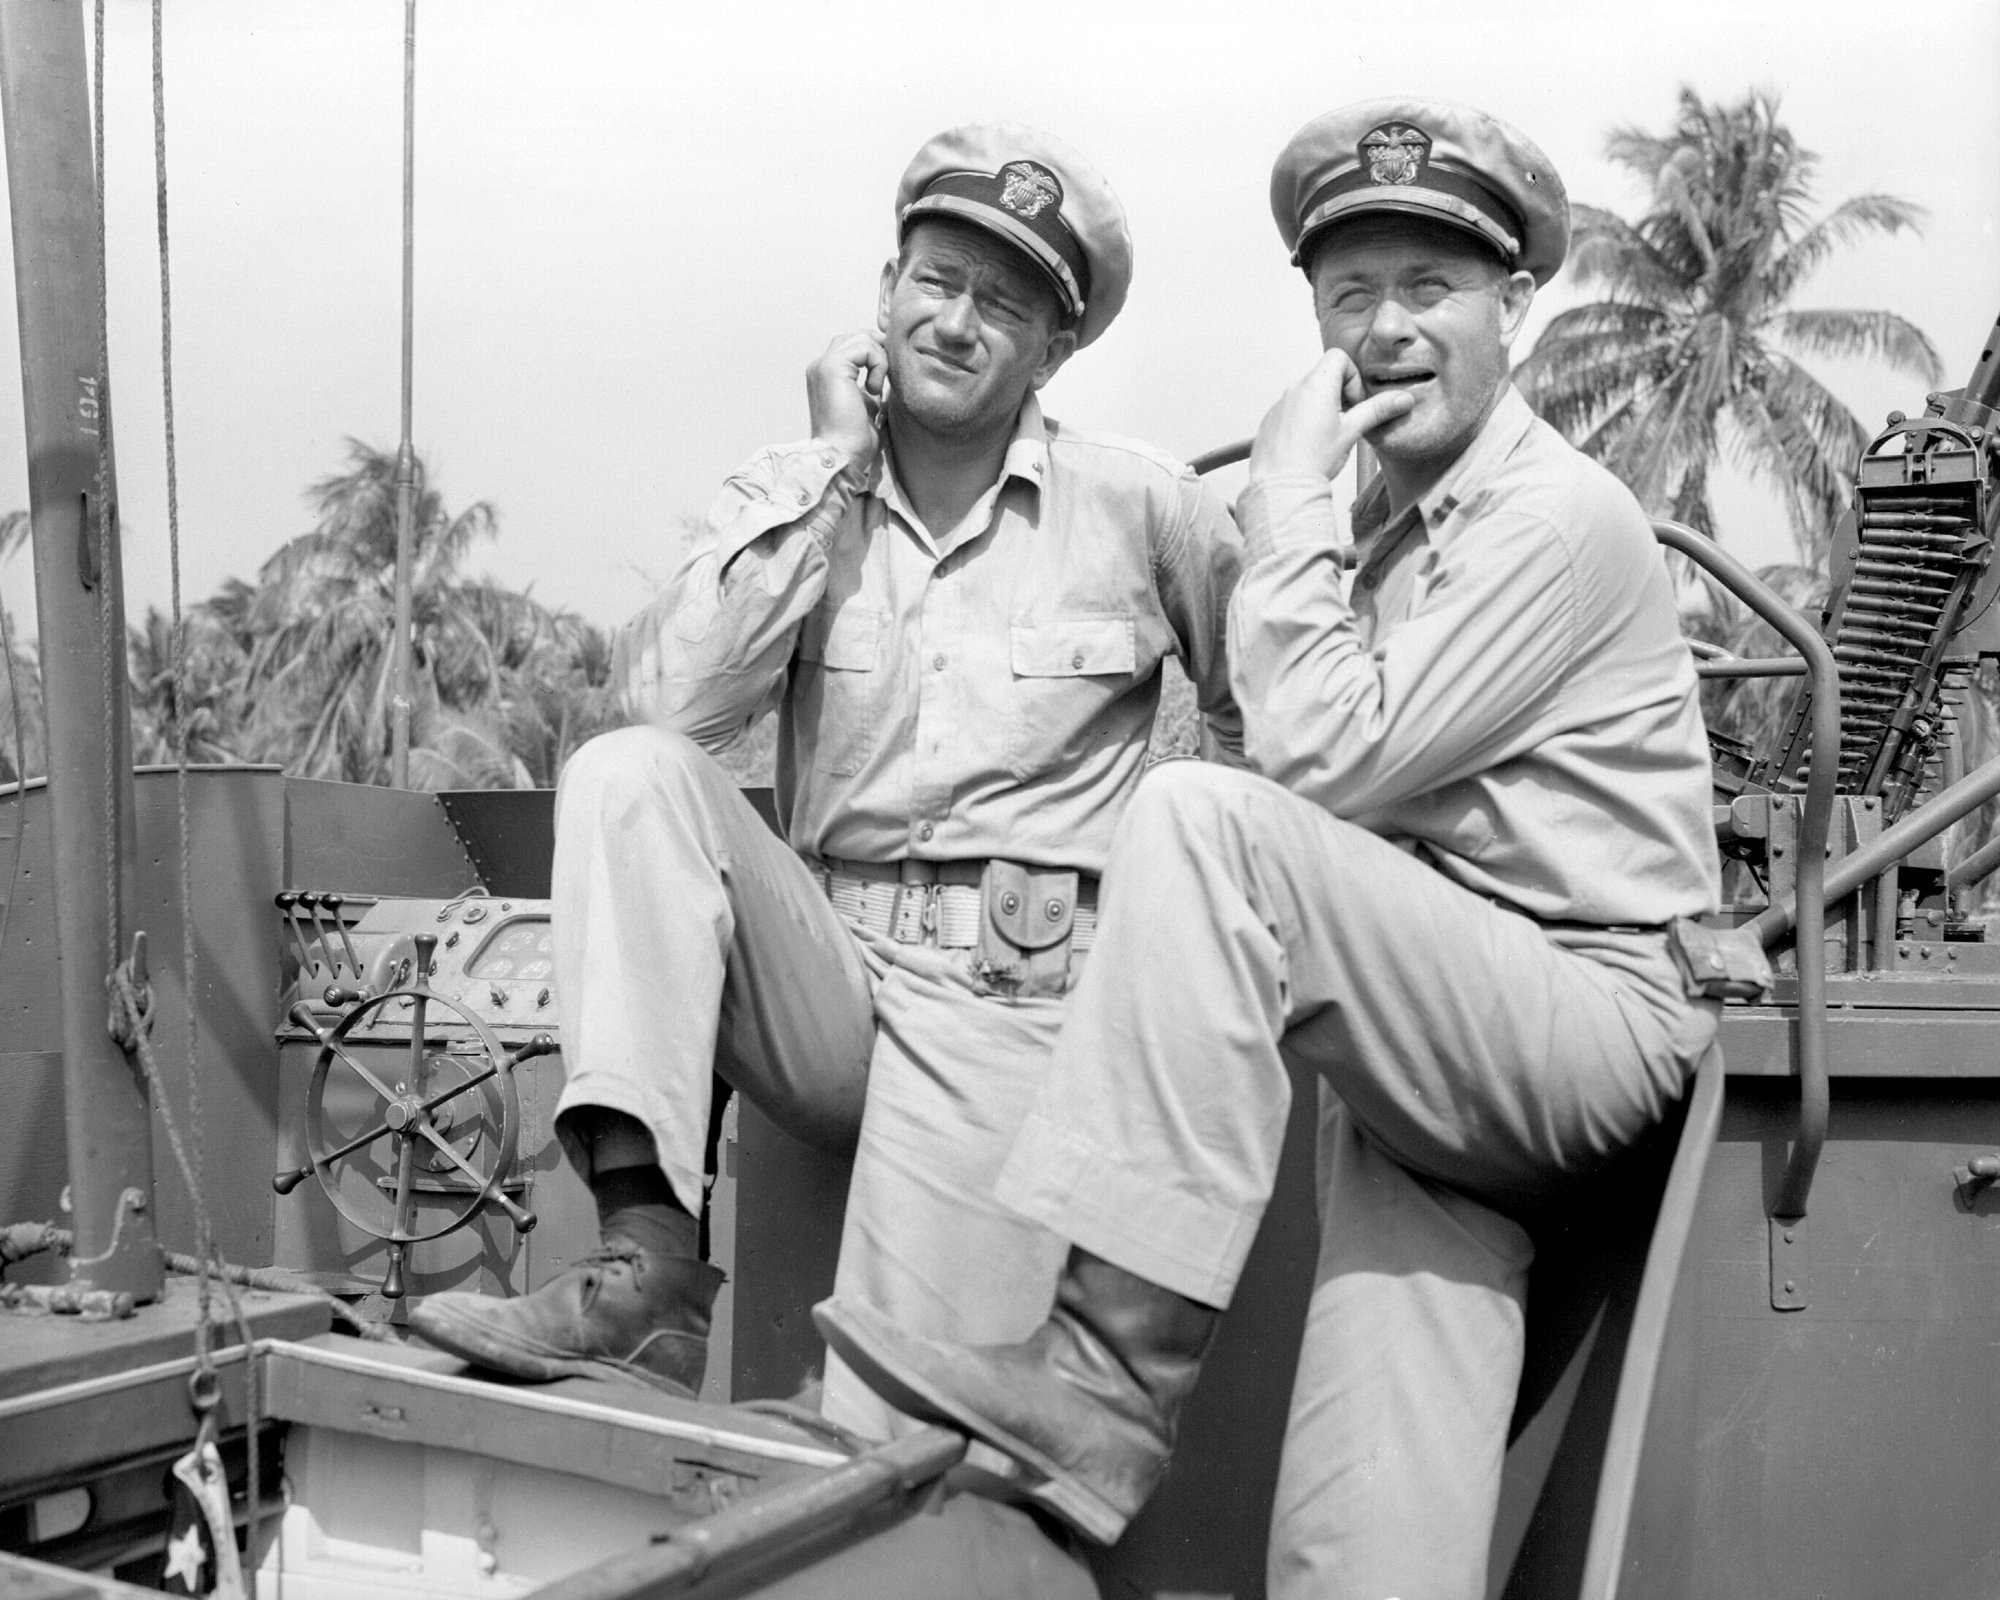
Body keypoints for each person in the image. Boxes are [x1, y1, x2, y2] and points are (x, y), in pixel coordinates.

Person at [818, 98, 1749, 1598]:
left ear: (1516, 309)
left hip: (1572, 1012)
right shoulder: (1379, 523)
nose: (1385, 331)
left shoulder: (1557, 520)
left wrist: (1293, 491)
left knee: (1204, 824)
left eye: (1430, 290)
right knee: (1361, 1528)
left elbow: (1312, 764)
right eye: (1351, 294)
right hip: (1428, 1050)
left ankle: (1105, 1387)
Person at [411, 123, 1245, 1442]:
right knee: (632, 774)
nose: (959, 323)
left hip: (1013, 1008)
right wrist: (830, 462)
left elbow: (1274, 739)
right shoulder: (794, 495)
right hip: (829, 981)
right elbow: (669, 706)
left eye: (1005, 303)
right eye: (936, 282)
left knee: (890, 1435)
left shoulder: (1149, 509)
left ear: (1056, 349)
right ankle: (651, 1271)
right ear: (884, 293)